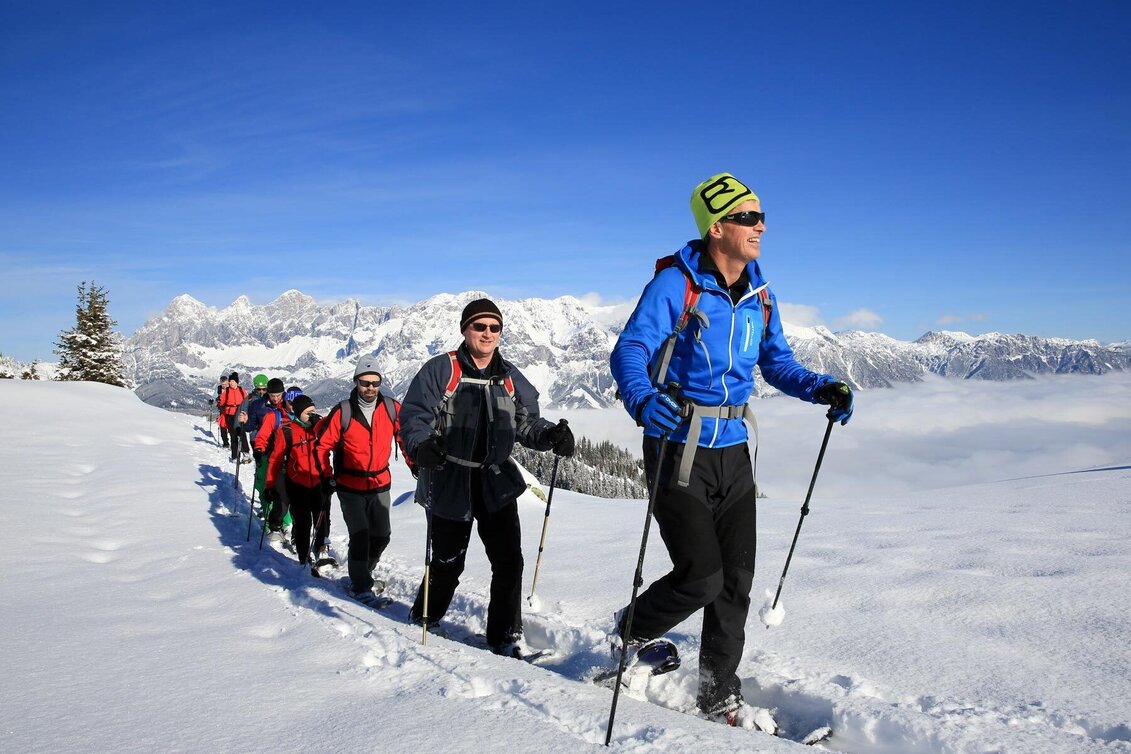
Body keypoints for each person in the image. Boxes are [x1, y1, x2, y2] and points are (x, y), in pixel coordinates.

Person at [609, 172, 854, 729]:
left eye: (761, 216)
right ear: (716, 227)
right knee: (700, 576)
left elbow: (776, 362)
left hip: (736, 450)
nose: (760, 225)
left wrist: (820, 387)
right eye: (748, 217)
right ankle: (628, 632)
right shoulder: (678, 284)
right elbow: (631, 347)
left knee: (736, 583)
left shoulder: (761, 295)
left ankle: (717, 692)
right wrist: (642, 400)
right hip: (678, 446)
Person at [400, 298, 575, 657]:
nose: (487, 334)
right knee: (448, 560)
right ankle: (425, 619)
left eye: (494, 328)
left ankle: (505, 637)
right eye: (480, 326)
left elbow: (526, 422)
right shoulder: (441, 370)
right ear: (465, 329)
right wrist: (422, 446)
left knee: (510, 561)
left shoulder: (510, 377)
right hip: (449, 477)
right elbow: (414, 416)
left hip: (495, 479)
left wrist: (549, 436)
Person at [316, 358, 406, 605]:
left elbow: (405, 439)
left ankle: (363, 572)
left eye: (375, 383)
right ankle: (361, 586)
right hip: (349, 485)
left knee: (382, 535)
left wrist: (416, 465)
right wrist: (326, 475)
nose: (370, 387)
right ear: (356, 382)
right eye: (365, 382)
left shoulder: (390, 408)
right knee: (360, 534)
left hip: (380, 483)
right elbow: (322, 446)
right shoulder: (343, 411)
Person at [264, 394, 326, 566]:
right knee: (303, 521)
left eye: (314, 411)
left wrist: (320, 427)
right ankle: (303, 555)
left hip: (318, 481)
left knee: (321, 518)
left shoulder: (319, 428)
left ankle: (321, 549)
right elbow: (276, 459)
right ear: (298, 414)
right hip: (297, 483)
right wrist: (270, 485)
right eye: (308, 413)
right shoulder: (287, 431)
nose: (312, 416)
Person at [254, 386, 305, 541]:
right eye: (290, 401)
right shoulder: (275, 416)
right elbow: (262, 436)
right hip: (280, 463)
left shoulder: (306, 418)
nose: (293, 405)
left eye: (297, 401)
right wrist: (259, 449)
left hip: (300, 467)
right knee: (281, 499)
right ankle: (275, 525)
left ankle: (296, 531)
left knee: (299, 503)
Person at [217, 372, 249, 460]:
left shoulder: (242, 390)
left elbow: (246, 401)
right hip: (229, 414)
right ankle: (234, 455)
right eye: (230, 381)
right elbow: (221, 402)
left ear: (237, 382)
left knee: (242, 432)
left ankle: (246, 452)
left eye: (233, 381)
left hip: (239, 413)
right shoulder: (226, 391)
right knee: (233, 434)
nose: (231, 383)